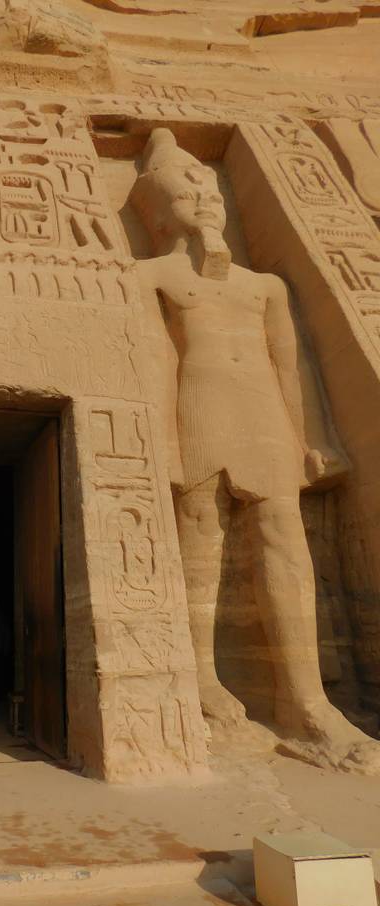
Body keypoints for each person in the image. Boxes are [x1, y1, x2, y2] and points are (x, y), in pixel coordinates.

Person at [132, 127, 380, 773]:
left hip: (264, 415)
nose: (204, 194)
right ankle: (201, 681)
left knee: (284, 541)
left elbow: (287, 365)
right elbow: (151, 359)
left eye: (208, 185)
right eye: (186, 188)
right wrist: (157, 439)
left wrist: (310, 438)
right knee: (200, 533)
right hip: (199, 408)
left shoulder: (265, 286)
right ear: (158, 211)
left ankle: (306, 700)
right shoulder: (150, 274)